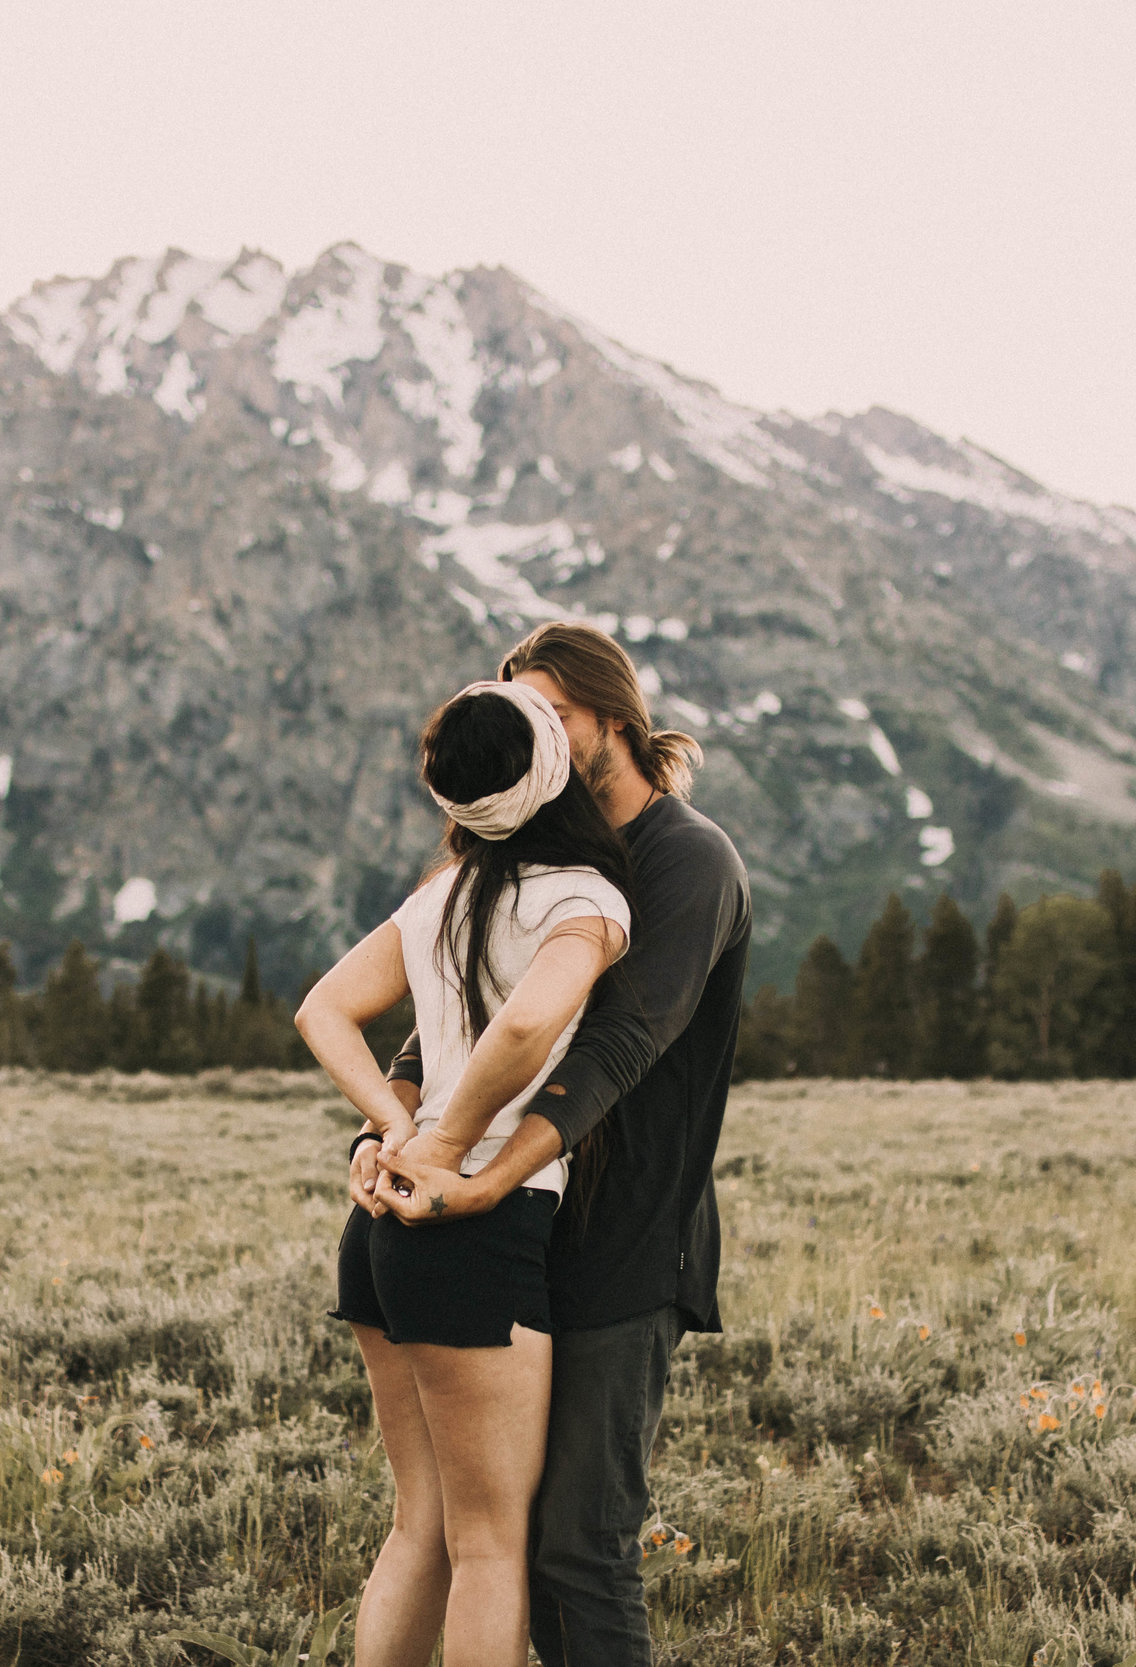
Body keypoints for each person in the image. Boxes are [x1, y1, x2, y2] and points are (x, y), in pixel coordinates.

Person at [367, 621, 751, 1667]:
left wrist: (479, 1169)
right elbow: (447, 1015)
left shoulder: (689, 860)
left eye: (553, 712)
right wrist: (390, 1125)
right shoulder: (533, 844)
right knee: (499, 1538)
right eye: (521, 713)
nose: (534, 731)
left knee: (580, 1546)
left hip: (625, 1238)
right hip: (520, 1224)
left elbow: (623, 1039)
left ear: (610, 719)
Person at [294, 677, 636, 1667]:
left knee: (420, 1524)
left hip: (378, 1230)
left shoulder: (442, 893)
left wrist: (394, 1116)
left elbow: (322, 1009)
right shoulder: (586, 898)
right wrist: (448, 1144)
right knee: (490, 1542)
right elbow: (531, 1021)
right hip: (474, 1226)